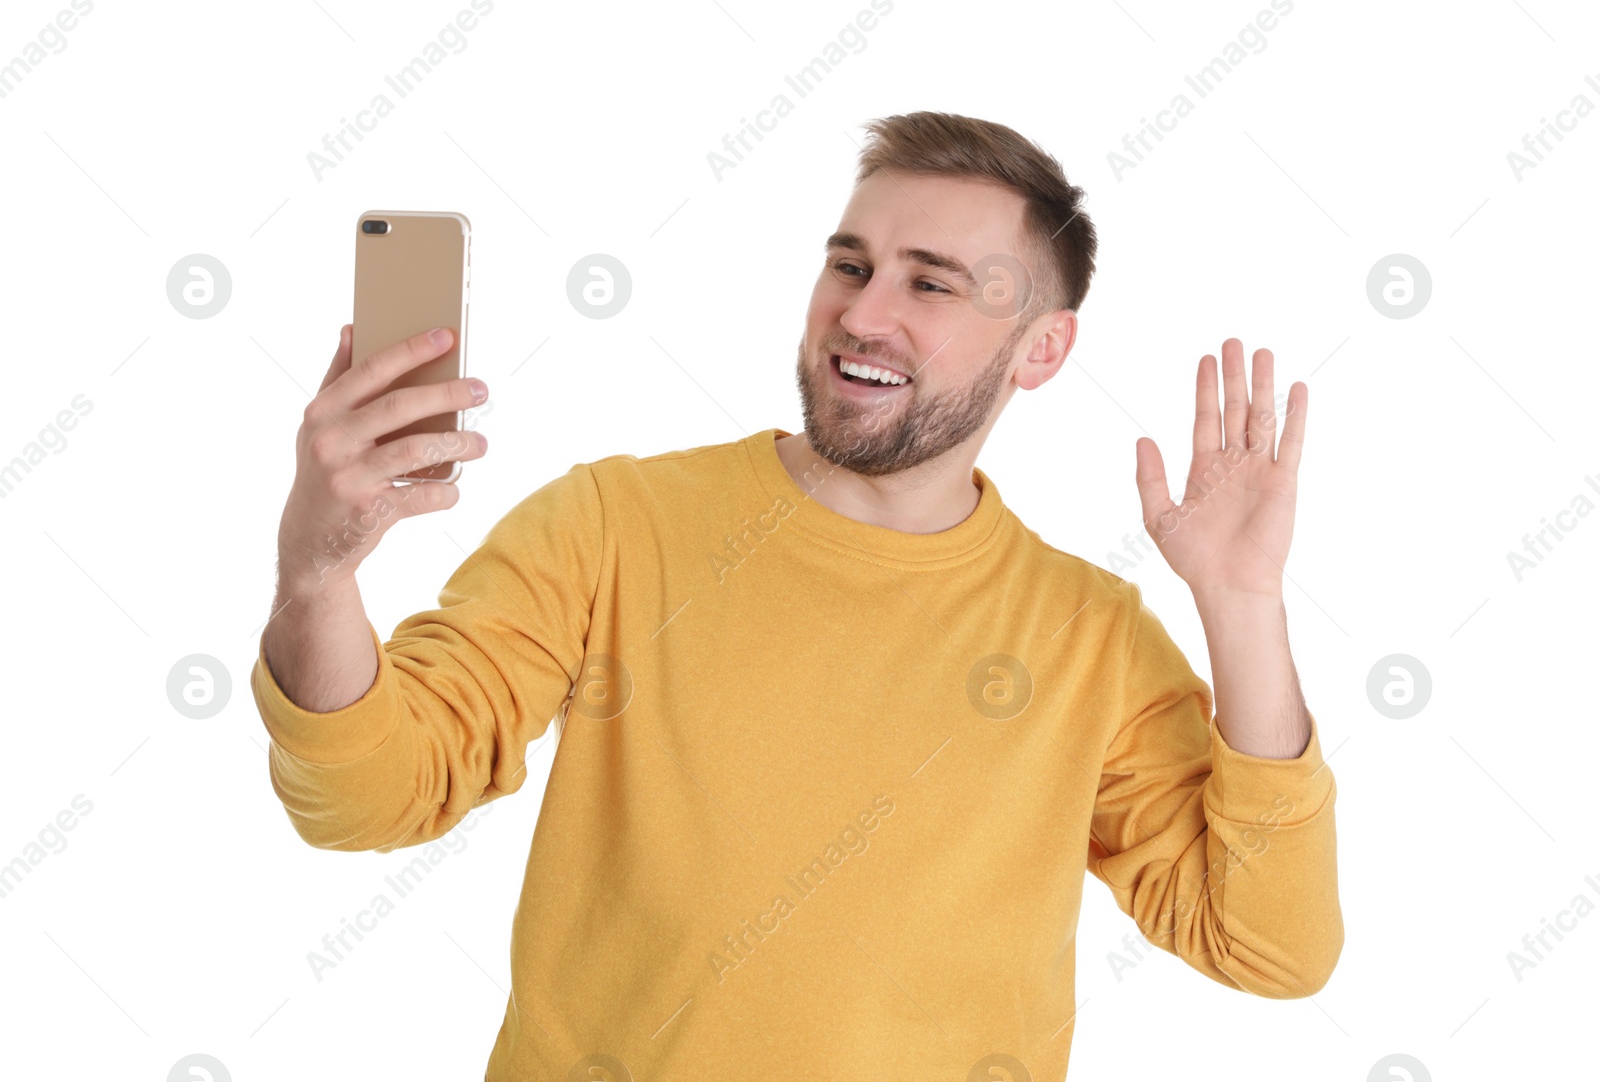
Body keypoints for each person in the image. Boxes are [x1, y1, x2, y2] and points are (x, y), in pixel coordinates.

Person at [252, 110, 1341, 1080]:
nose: (863, 315)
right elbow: (365, 799)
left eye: (931, 283)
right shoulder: (611, 525)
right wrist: (317, 575)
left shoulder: (1088, 635)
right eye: (849, 265)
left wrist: (1242, 605)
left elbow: (1269, 947)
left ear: (1041, 349)